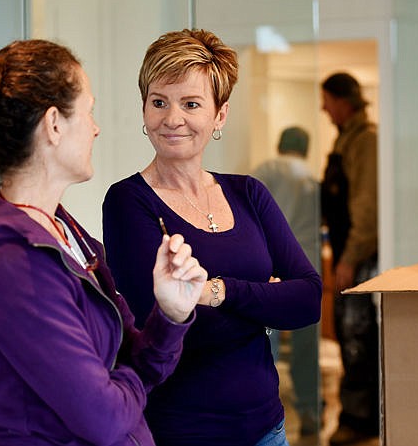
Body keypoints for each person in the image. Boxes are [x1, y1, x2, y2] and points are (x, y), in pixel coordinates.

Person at [0, 39, 208, 446]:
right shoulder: (8, 260)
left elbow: (136, 363)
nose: (95, 127)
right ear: (54, 124)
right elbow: (104, 418)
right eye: (88, 111)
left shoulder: (64, 231)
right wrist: (119, 377)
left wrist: (170, 313)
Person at [102, 29, 322, 446]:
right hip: (183, 431)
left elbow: (308, 299)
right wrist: (265, 304)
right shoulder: (128, 202)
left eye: (191, 104)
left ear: (220, 116)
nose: (172, 119)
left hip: (269, 428)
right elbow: (162, 332)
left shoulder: (248, 193)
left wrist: (216, 292)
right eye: (159, 102)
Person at [320, 72, 379, 445]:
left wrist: (349, 259)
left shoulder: (364, 141)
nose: (323, 108)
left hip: (360, 258)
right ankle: (357, 416)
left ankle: (360, 421)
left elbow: (366, 208)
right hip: (347, 253)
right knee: (347, 336)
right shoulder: (345, 139)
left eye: (326, 100)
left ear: (343, 101)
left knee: (358, 338)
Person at [252, 125, 321, 437]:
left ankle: (264, 403)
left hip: (269, 263)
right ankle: (309, 407)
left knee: (268, 339)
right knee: (307, 340)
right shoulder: (313, 177)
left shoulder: (264, 171)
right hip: (307, 264)